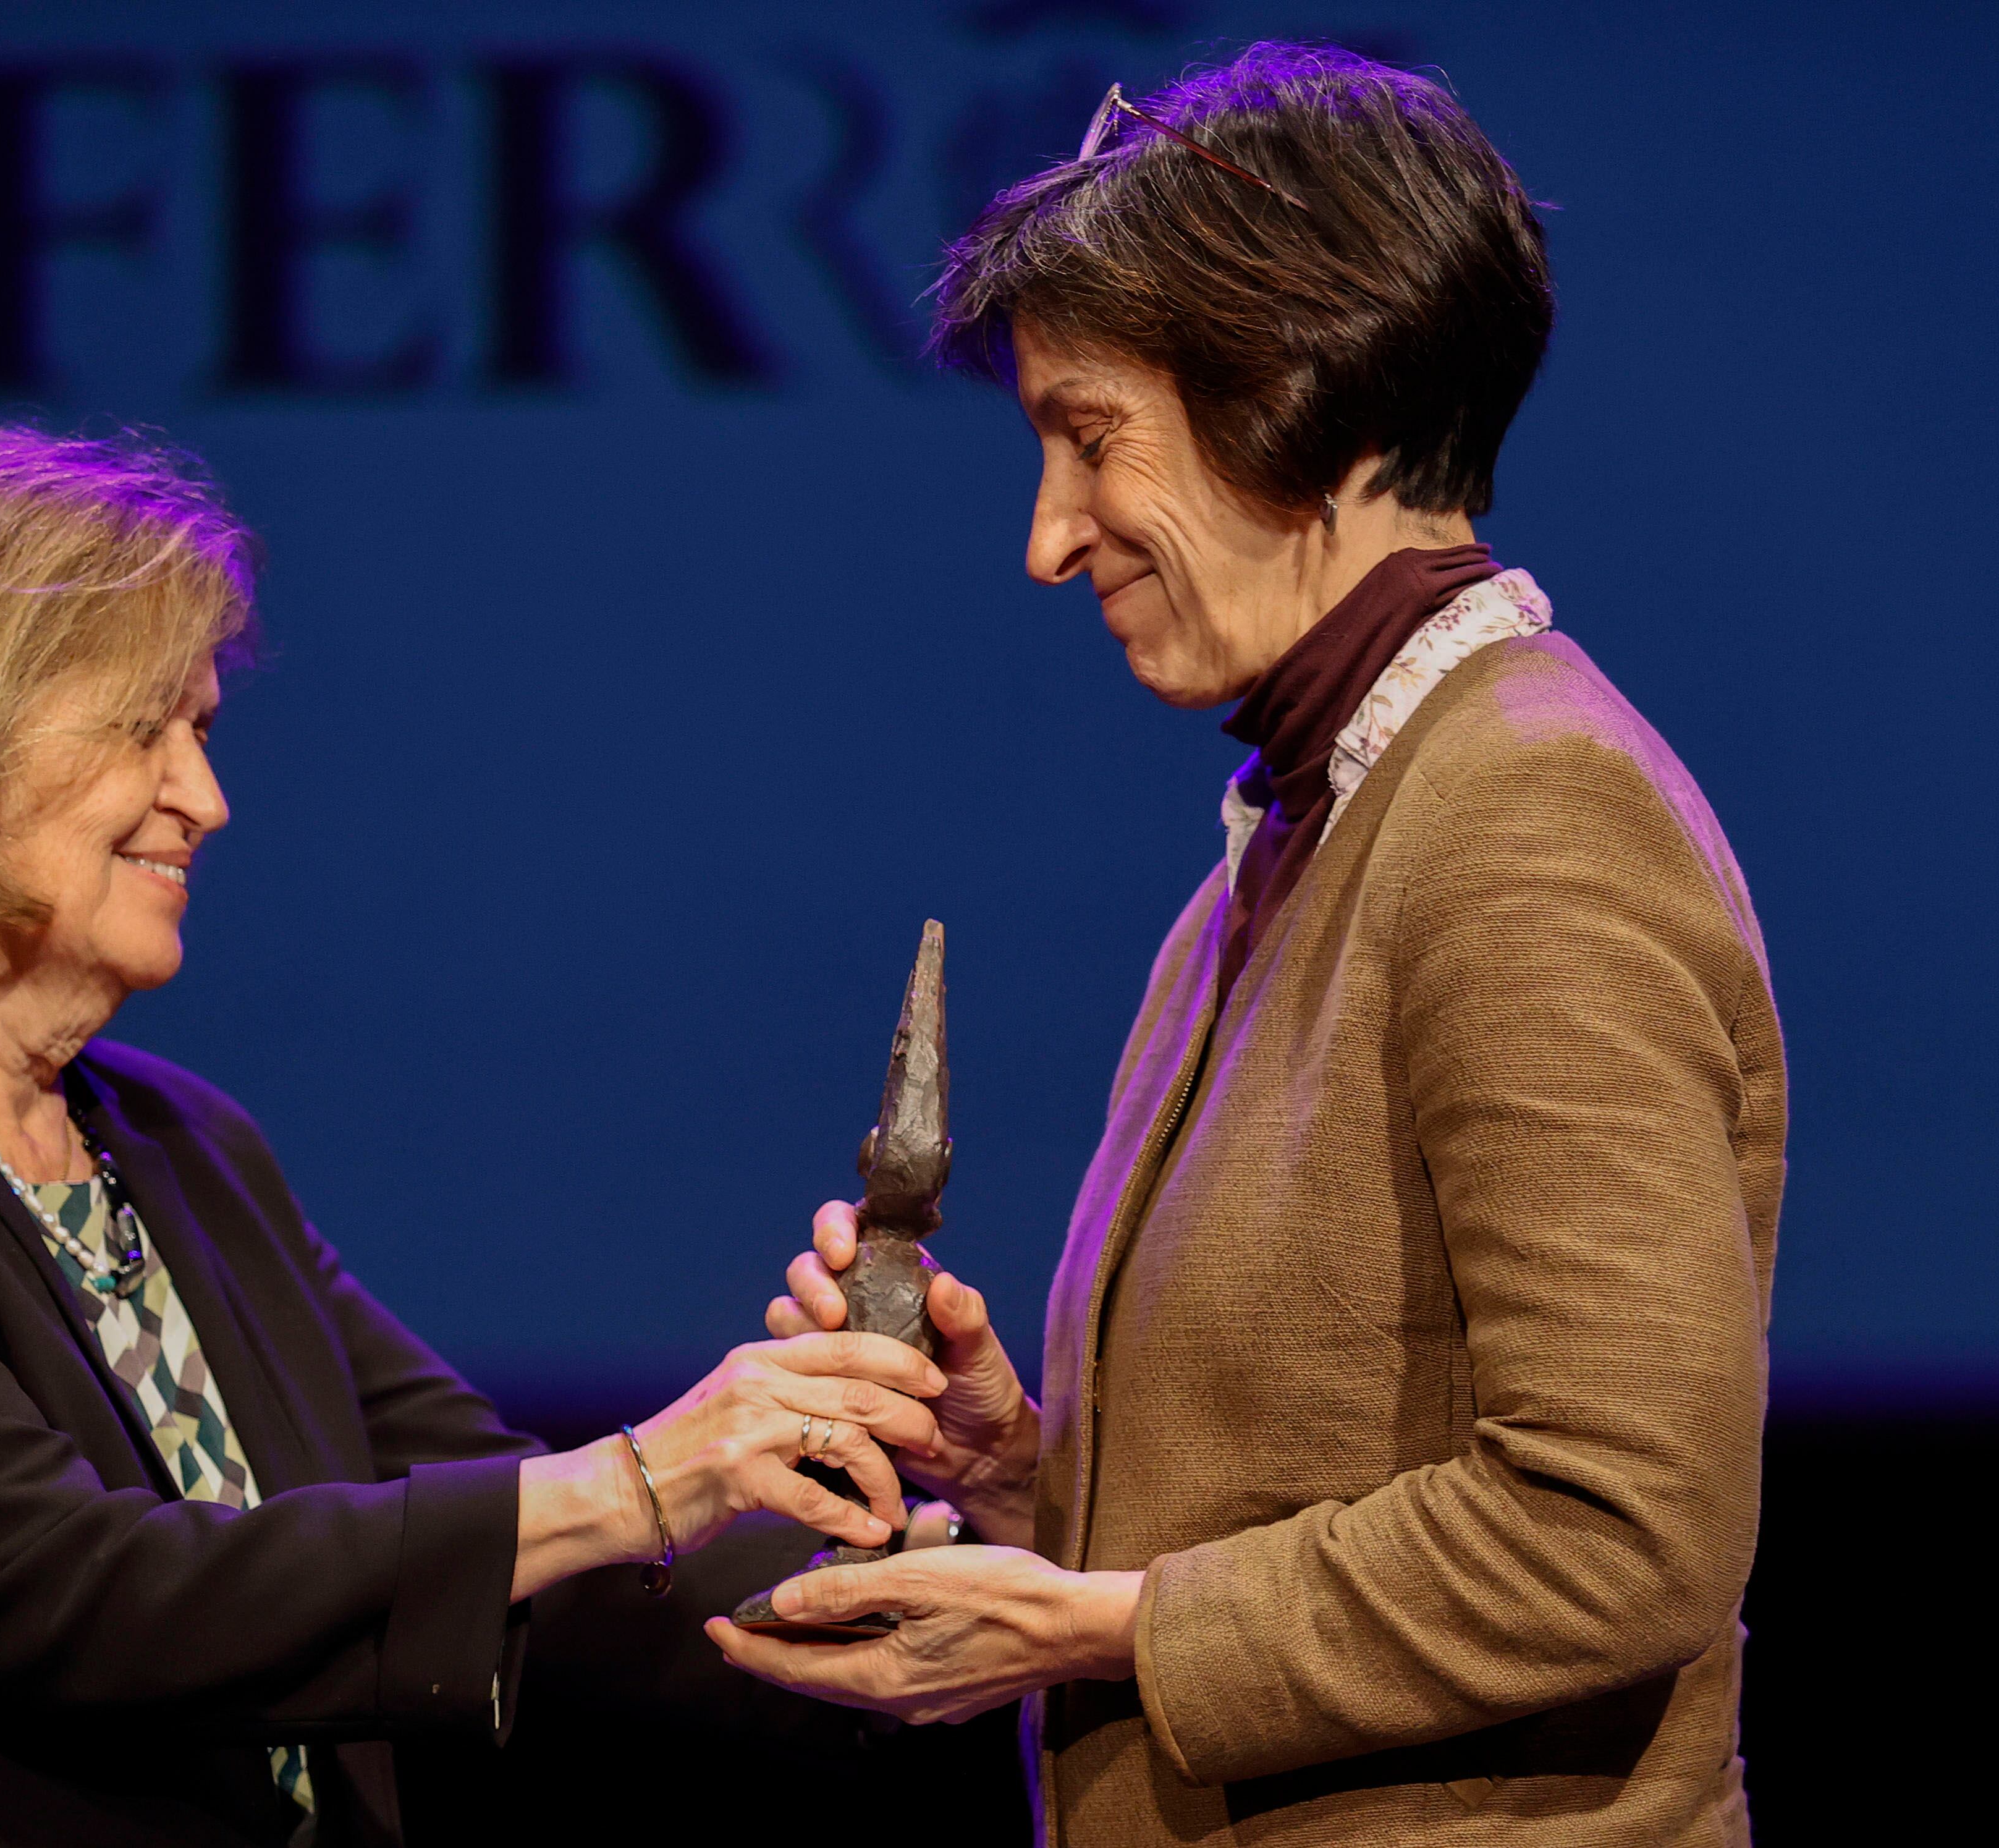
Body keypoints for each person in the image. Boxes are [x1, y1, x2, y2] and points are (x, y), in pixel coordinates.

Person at [714, 43, 1785, 1847]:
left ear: (1300, 388)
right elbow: (1339, 1475)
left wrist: (1103, 1619)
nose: (1050, 539)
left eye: (1090, 437)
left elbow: (1622, 1526)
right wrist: (1034, 1469)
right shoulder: (1307, 835)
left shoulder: (1530, 816)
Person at [0, 427, 948, 1846]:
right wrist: (648, 1475)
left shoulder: (183, 1146)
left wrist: (918, 1584)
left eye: (204, 731)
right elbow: (77, 1594)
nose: (205, 797)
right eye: (143, 729)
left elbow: (495, 1533)